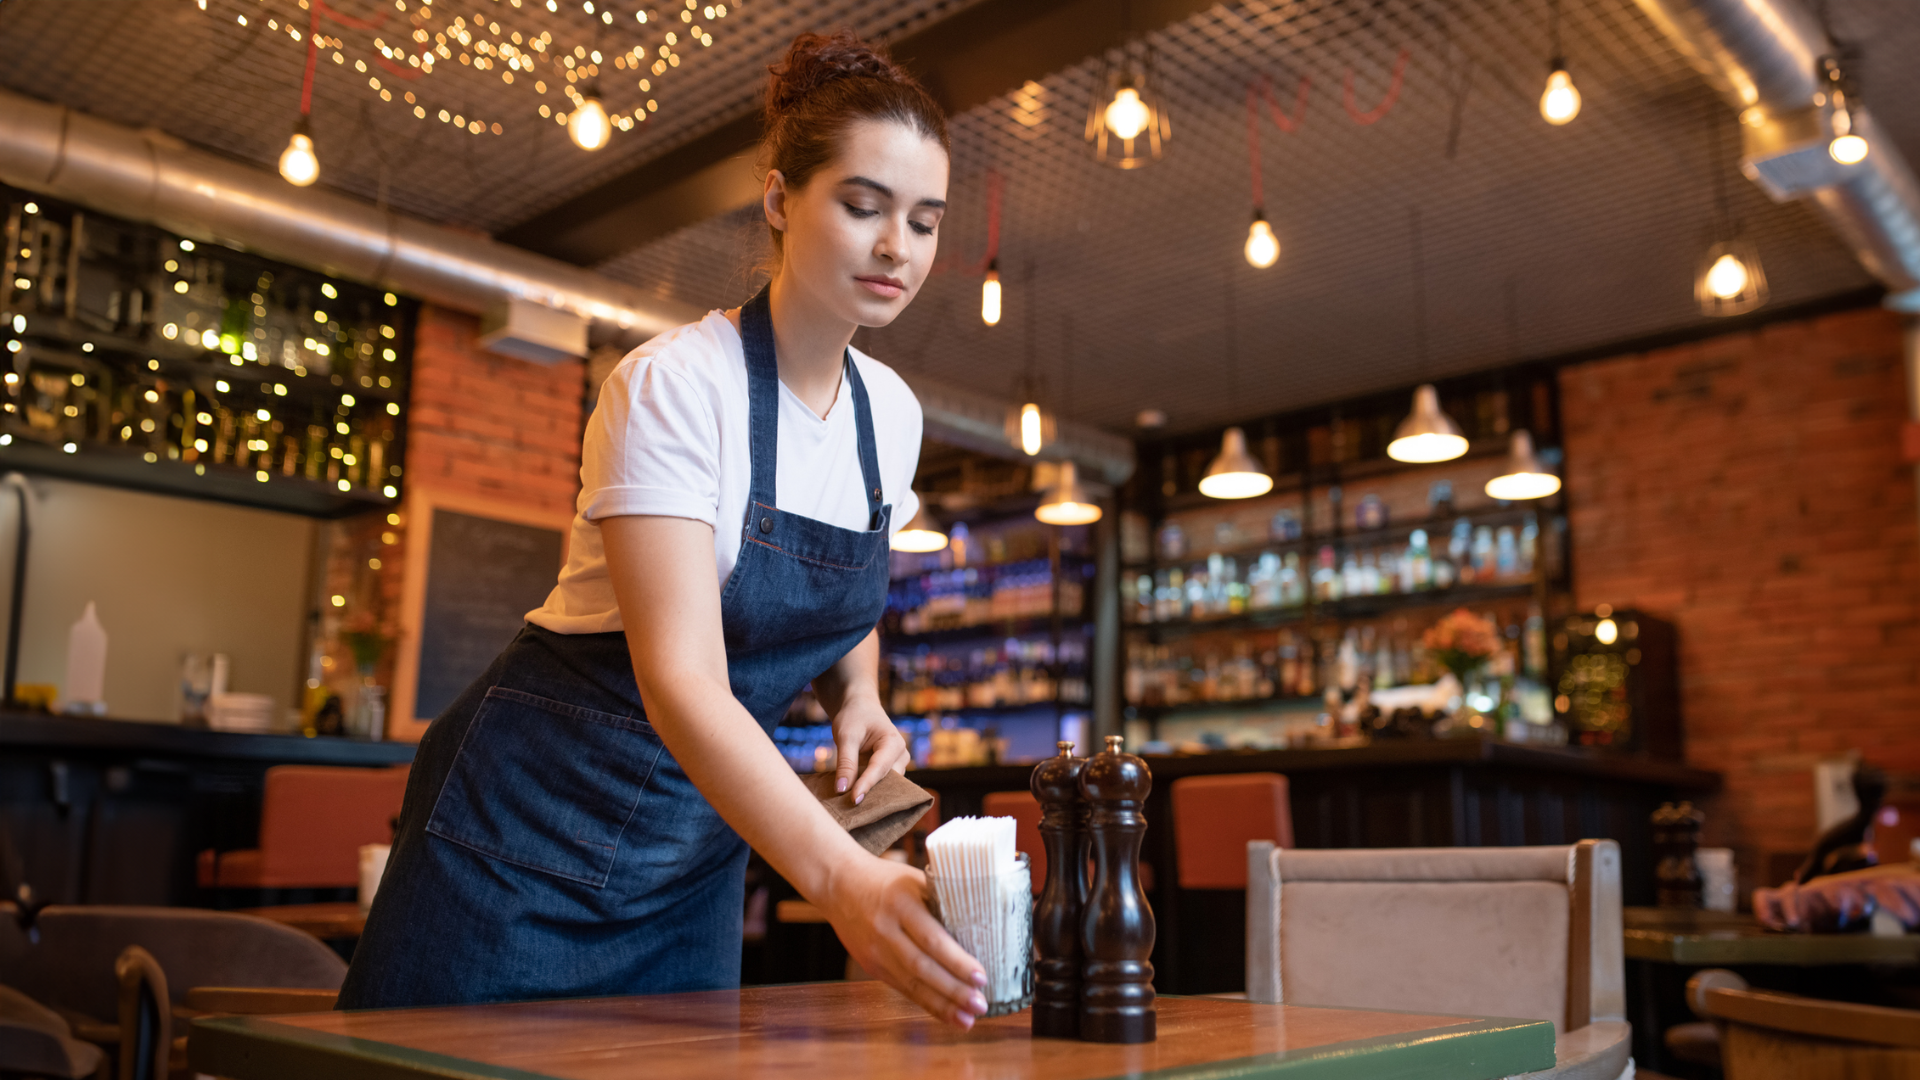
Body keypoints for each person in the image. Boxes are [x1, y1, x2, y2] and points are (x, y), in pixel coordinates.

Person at [340, 29, 989, 1029]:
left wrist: (857, 695)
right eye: (863, 207)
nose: (897, 247)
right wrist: (841, 880)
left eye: (925, 221)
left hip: (694, 853)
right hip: (522, 838)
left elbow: (843, 583)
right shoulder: (674, 387)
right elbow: (681, 678)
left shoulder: (890, 414)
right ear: (780, 200)